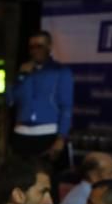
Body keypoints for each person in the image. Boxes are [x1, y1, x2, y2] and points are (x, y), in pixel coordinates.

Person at [7, 30, 74, 160]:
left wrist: (61, 138)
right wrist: (20, 76)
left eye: (39, 46)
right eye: (31, 47)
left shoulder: (60, 71)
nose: (35, 50)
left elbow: (66, 106)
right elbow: (10, 101)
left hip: (48, 133)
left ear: (49, 47)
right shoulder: (24, 72)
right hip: (21, 133)